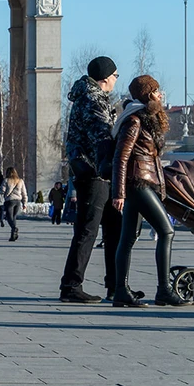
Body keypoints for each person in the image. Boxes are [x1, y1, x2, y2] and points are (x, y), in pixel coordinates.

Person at [111, 76, 187, 307]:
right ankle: (163, 290)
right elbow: (120, 158)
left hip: (142, 182)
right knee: (166, 231)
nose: (160, 94)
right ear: (147, 94)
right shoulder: (135, 121)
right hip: (138, 183)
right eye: (156, 91)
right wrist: (118, 193)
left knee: (128, 238)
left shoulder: (146, 118)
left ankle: (121, 291)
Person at [59, 56, 125, 303]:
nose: (116, 81)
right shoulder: (92, 99)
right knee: (88, 230)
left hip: (97, 173)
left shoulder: (89, 97)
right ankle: (71, 286)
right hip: (94, 173)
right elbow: (102, 136)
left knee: (113, 229)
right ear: (106, 78)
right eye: (116, 76)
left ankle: (116, 284)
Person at [1, 167, 28, 241]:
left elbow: (2, 190)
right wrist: (25, 204)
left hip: (9, 201)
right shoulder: (20, 181)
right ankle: (13, 235)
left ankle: (14, 228)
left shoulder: (6, 180)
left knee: (9, 217)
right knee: (14, 217)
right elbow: (24, 193)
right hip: (18, 201)